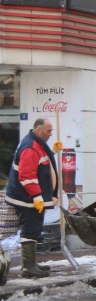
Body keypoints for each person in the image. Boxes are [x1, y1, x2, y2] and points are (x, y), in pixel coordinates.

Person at [4, 118, 63, 278]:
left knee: (33, 230)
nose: (51, 134)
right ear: (38, 130)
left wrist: (52, 151)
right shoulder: (30, 147)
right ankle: (28, 268)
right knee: (30, 230)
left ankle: (31, 264)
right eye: (48, 131)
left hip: (30, 198)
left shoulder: (36, 143)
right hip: (27, 199)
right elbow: (27, 175)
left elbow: (39, 162)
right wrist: (37, 196)